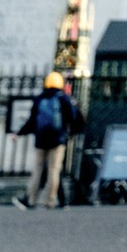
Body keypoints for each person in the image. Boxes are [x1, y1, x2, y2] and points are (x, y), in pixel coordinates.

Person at [17, 73, 81, 210]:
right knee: (54, 170)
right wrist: (69, 133)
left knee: (38, 170)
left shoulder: (40, 98)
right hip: (57, 139)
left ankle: (31, 200)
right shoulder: (63, 98)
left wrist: (19, 133)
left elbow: (32, 120)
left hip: (40, 140)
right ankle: (50, 201)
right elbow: (72, 117)